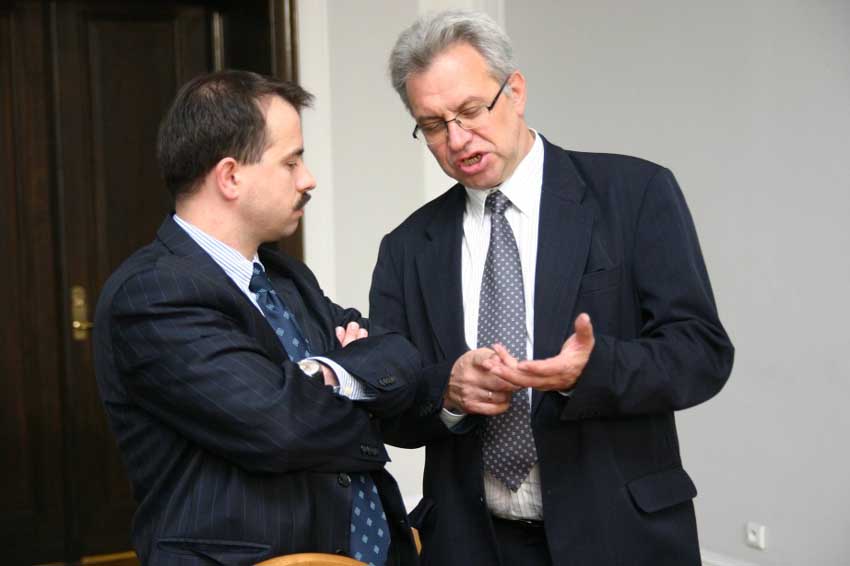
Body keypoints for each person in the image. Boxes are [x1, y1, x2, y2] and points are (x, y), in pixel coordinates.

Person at [370, 10, 734, 566]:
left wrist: (591, 371)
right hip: (471, 545)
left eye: (470, 110)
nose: (458, 139)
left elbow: (701, 354)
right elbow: (392, 409)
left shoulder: (634, 194)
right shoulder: (406, 247)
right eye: (435, 125)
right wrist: (447, 394)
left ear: (514, 91)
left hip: (618, 537)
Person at [93, 70, 420, 566]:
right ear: (230, 177)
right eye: (291, 161)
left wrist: (327, 375)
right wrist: (360, 380)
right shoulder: (153, 295)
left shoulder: (286, 276)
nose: (307, 179)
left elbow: (398, 355)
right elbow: (282, 428)